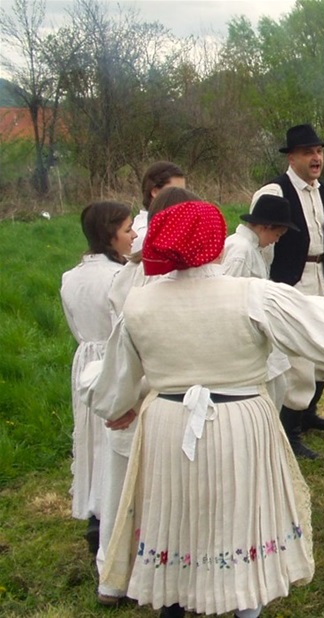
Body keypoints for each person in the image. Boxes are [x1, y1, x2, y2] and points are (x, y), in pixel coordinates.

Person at [79, 201, 324, 618]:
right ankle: (243, 605)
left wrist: (120, 406)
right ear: (215, 244)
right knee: (241, 513)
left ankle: (175, 603)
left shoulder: (140, 304)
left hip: (168, 421)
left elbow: (114, 381)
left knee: (177, 513)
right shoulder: (251, 295)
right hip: (238, 423)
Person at [97, 186, 202, 607]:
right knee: (146, 498)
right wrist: (127, 400)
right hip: (153, 398)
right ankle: (129, 579)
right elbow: (130, 347)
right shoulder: (140, 279)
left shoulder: (137, 275)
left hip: (153, 397)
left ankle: (152, 580)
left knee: (149, 497)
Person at [251, 124, 324, 459]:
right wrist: (264, 289)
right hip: (289, 282)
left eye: (319, 151)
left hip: (319, 278)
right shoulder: (274, 193)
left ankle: (307, 415)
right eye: (308, 152)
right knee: (298, 359)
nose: (316, 157)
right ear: (291, 158)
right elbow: (260, 245)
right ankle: (289, 431)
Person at [60, 201, 137, 559]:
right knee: (114, 441)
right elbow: (128, 328)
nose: (134, 235)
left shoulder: (70, 276)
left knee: (94, 438)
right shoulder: (117, 278)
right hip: (111, 361)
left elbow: (75, 325)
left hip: (86, 359)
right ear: (109, 235)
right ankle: (113, 523)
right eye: (127, 229)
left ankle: (96, 516)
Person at [222, 194, 301, 410]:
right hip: (245, 340)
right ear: (265, 226)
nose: (277, 239)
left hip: (260, 337)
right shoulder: (240, 251)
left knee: (277, 387)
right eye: (278, 233)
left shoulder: (253, 249)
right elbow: (226, 299)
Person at [132, 161, 186, 253]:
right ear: (155, 192)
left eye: (183, 191)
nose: (182, 196)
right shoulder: (143, 235)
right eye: (174, 191)